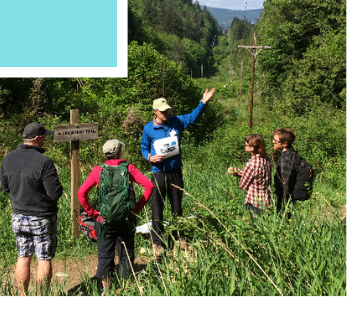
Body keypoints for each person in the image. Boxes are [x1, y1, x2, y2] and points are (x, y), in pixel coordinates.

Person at [141, 89, 215, 257]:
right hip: (158, 172)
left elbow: (192, 117)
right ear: (155, 112)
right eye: (162, 111)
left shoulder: (176, 122)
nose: (166, 113)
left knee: (177, 206)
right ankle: (157, 242)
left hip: (175, 171)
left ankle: (179, 237)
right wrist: (150, 158)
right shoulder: (148, 129)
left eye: (167, 110)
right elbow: (144, 147)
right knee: (157, 208)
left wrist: (203, 102)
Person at [78, 139, 154, 294]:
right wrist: (136, 210)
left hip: (103, 221)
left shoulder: (98, 170)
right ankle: (125, 287)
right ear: (119, 152)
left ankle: (106, 289)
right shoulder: (129, 168)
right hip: (126, 219)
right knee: (126, 253)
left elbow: (81, 193)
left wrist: (92, 212)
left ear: (106, 154)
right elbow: (149, 186)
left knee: (105, 254)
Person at [0, 122, 63, 294]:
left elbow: (5, 188)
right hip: (42, 217)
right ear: (36, 138)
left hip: (18, 216)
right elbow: (54, 193)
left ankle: (23, 297)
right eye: (44, 137)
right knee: (43, 258)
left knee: (23, 257)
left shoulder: (8, 158)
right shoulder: (44, 161)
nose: (45, 140)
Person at [228, 133, 272, 214]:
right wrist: (236, 171)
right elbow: (255, 174)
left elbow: (243, 185)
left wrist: (239, 175)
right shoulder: (266, 158)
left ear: (252, 148)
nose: (244, 145)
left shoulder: (252, 164)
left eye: (245, 144)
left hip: (254, 202)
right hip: (267, 201)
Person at [272, 127, 297, 216]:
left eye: (276, 141)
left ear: (285, 144)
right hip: (288, 196)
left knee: (284, 220)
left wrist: (283, 202)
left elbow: (285, 181)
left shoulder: (286, 159)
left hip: (284, 198)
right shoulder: (292, 153)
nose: (273, 142)